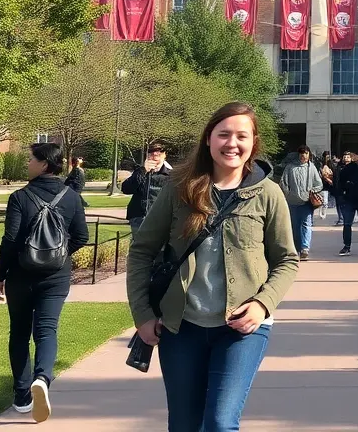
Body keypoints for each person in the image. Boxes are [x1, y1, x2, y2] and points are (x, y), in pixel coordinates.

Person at [127, 102, 299, 431]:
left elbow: (286, 260)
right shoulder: (180, 188)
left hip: (241, 328)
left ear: (253, 142)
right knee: (184, 423)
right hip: (182, 327)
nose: (231, 143)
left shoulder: (268, 193)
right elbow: (142, 250)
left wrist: (263, 305)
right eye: (223, 134)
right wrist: (143, 315)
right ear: (209, 139)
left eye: (241, 136)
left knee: (220, 421)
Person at [0, 142, 90, 422]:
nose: (27, 163)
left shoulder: (20, 197)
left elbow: (10, 240)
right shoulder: (71, 196)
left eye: (30, 159)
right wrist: (58, 255)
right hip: (56, 277)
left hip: (21, 275)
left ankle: (23, 395)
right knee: (47, 331)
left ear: (44, 163)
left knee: (20, 333)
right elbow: (81, 236)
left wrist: (0, 275)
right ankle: (43, 379)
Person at [280, 146, 323, 262]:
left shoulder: (311, 168)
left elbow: (319, 184)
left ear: (309, 155)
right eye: (302, 153)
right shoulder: (290, 167)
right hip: (292, 202)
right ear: (298, 155)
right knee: (294, 225)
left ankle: (304, 248)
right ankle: (296, 248)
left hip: (306, 202)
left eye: (306, 153)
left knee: (306, 224)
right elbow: (283, 182)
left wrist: (313, 190)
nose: (303, 156)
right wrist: (288, 194)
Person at [122, 141, 173, 235]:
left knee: (160, 248)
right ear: (147, 156)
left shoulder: (171, 175)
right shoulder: (140, 172)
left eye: (159, 153)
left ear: (164, 155)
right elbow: (126, 189)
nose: (155, 156)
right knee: (139, 248)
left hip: (161, 219)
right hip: (139, 217)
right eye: (151, 153)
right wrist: (143, 171)